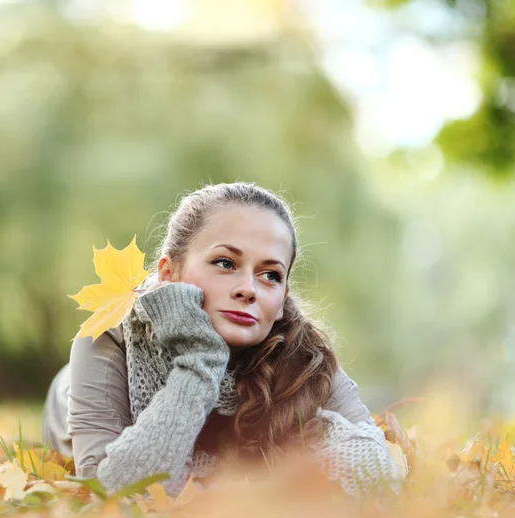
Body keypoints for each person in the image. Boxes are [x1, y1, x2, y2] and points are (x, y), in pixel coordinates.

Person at [42, 182, 400, 499]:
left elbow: (379, 478)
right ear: (169, 273)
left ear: (283, 299)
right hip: (70, 398)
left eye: (270, 275)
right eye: (225, 263)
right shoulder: (108, 339)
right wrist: (200, 363)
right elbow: (114, 495)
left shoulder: (305, 358)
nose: (248, 289)